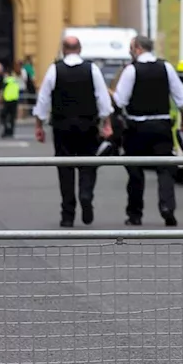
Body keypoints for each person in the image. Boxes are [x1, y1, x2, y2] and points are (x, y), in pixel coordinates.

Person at [34, 36, 114, 227]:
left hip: (62, 126)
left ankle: (67, 214)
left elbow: (43, 99)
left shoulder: (55, 69)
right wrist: (107, 123)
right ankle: (86, 194)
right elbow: (103, 98)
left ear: (63, 49)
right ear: (79, 49)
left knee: (65, 168)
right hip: (87, 125)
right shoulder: (92, 69)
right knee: (88, 163)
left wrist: (39, 125)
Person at [113, 35, 183, 227]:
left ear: (138, 48)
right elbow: (181, 100)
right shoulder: (166, 68)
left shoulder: (131, 70)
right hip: (162, 125)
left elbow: (120, 101)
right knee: (165, 169)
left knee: (135, 172)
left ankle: (135, 214)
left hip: (137, 127)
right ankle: (167, 208)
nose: (130, 52)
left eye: (131, 48)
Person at [0, 65, 21, 137]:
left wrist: (1, 98)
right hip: (14, 100)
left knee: (4, 116)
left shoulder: (6, 80)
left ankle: (6, 130)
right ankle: (11, 131)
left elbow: (3, 90)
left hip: (7, 100)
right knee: (12, 117)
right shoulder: (15, 80)